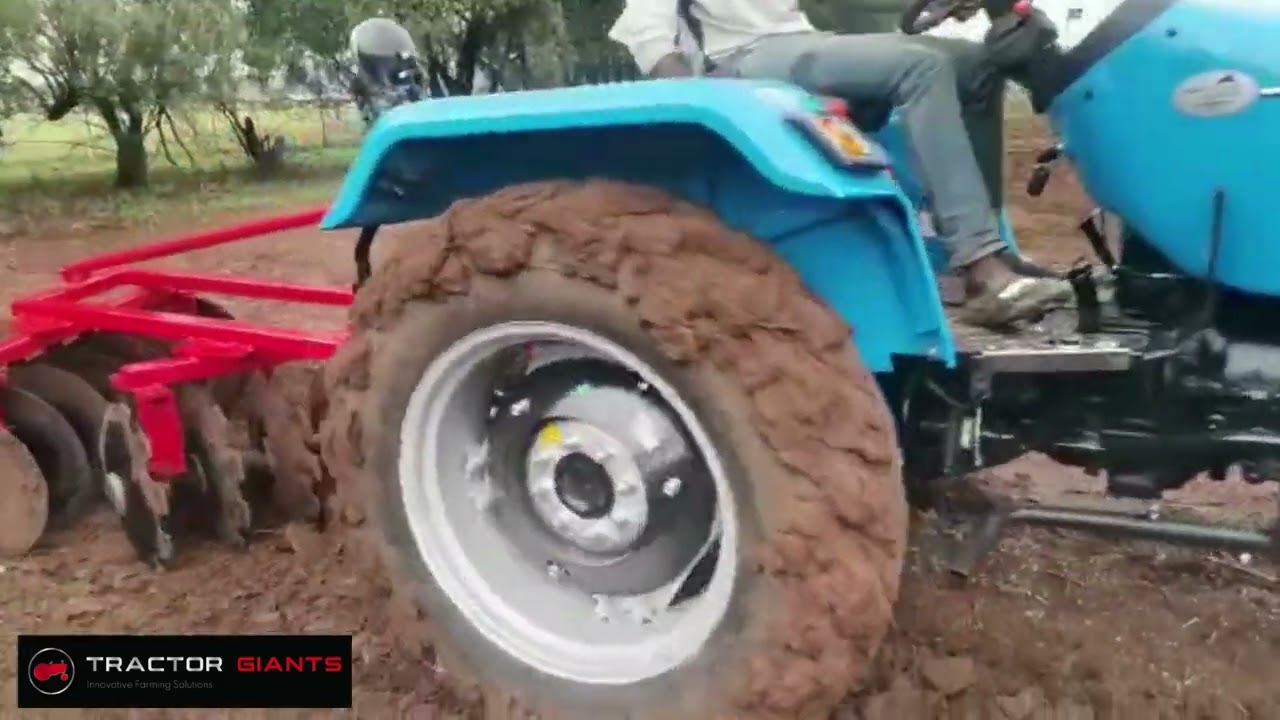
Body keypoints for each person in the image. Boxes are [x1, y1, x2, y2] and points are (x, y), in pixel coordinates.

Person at [608, 0, 1073, 329]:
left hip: (801, 40)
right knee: (921, 69)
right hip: (742, 57)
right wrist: (699, 99)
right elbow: (642, 26)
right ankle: (979, 266)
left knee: (976, 63)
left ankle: (990, 243)